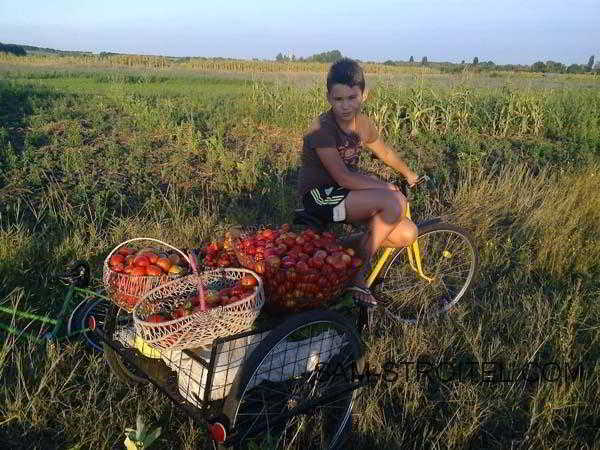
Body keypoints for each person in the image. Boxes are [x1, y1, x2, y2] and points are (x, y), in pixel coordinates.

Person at [297, 57, 419, 306]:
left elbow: (384, 152)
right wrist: (386, 187)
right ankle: (356, 274)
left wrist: (408, 173)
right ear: (328, 97)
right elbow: (342, 176)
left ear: (364, 95)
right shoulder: (321, 128)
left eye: (351, 98)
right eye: (338, 99)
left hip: (346, 194)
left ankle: (334, 250)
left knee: (407, 233)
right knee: (393, 200)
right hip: (319, 197)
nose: (345, 106)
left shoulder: (362, 124)